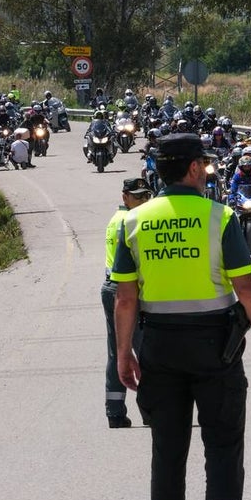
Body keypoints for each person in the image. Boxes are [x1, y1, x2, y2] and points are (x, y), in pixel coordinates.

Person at [112, 133, 251, 500]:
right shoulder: (220, 217)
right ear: (192, 169)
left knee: (167, 449)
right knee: (223, 446)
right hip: (216, 350)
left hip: (158, 348)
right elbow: (244, 288)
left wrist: (122, 355)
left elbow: (125, 298)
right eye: (204, 165)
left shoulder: (135, 220)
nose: (207, 171)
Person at [102, 178, 154, 427]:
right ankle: (150, 411)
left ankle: (114, 412)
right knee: (144, 350)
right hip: (126, 290)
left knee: (117, 351)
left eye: (146, 195)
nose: (143, 200)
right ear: (125, 197)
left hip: (111, 286)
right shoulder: (130, 222)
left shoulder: (115, 219)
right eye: (138, 196)